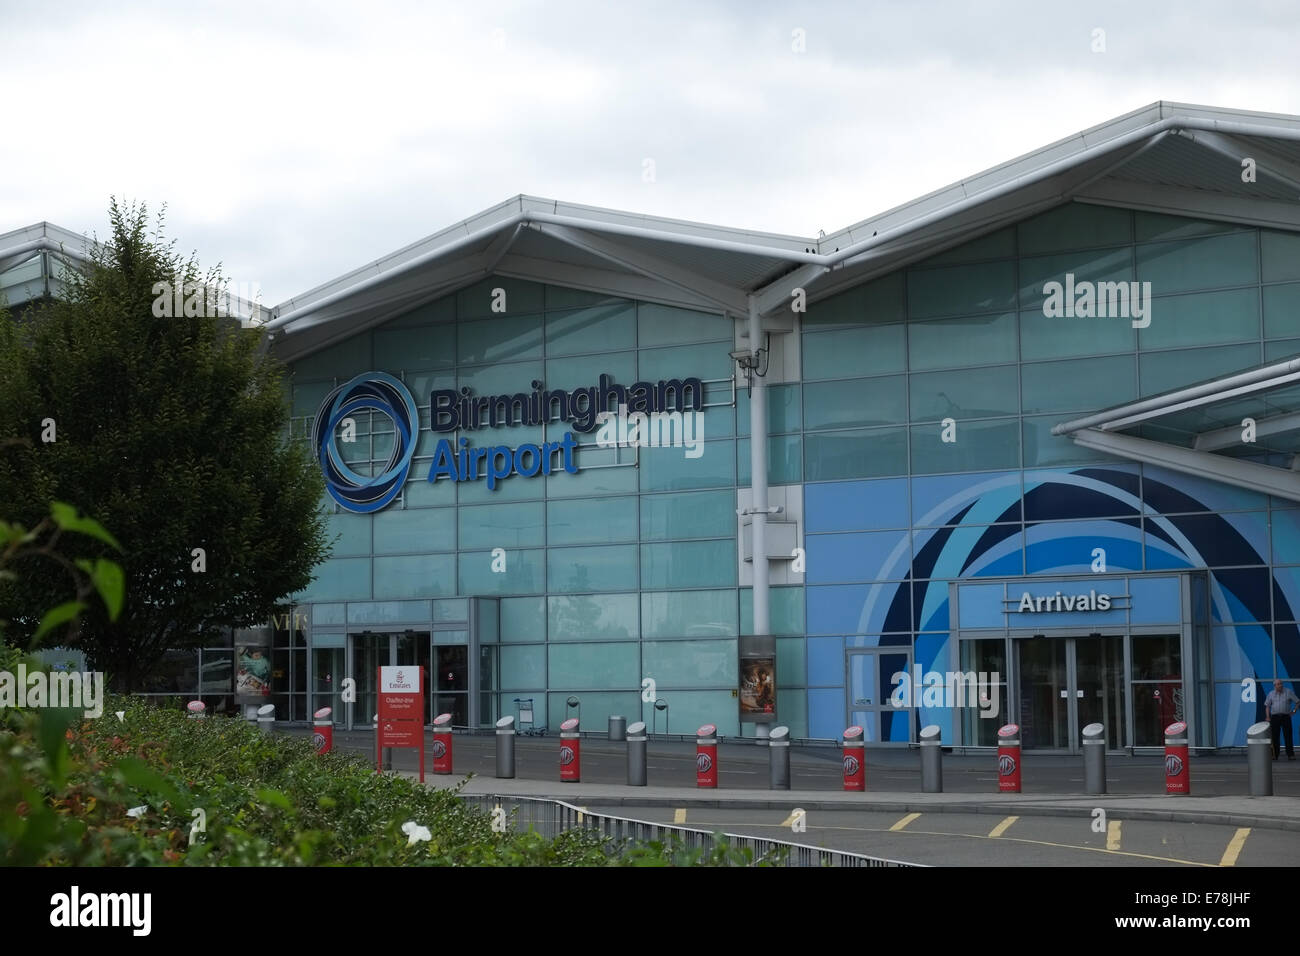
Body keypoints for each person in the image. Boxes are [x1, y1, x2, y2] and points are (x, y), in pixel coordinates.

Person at [1264, 678, 1300, 760]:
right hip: (1275, 717)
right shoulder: (1271, 694)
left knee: (1288, 736)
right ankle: (1274, 755)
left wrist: (1294, 711)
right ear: (1275, 686)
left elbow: (1298, 702)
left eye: (1281, 683)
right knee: (1275, 736)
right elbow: (1267, 706)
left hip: (1286, 717)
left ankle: (1290, 755)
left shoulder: (1288, 692)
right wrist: (1268, 717)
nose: (1280, 685)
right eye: (1278, 684)